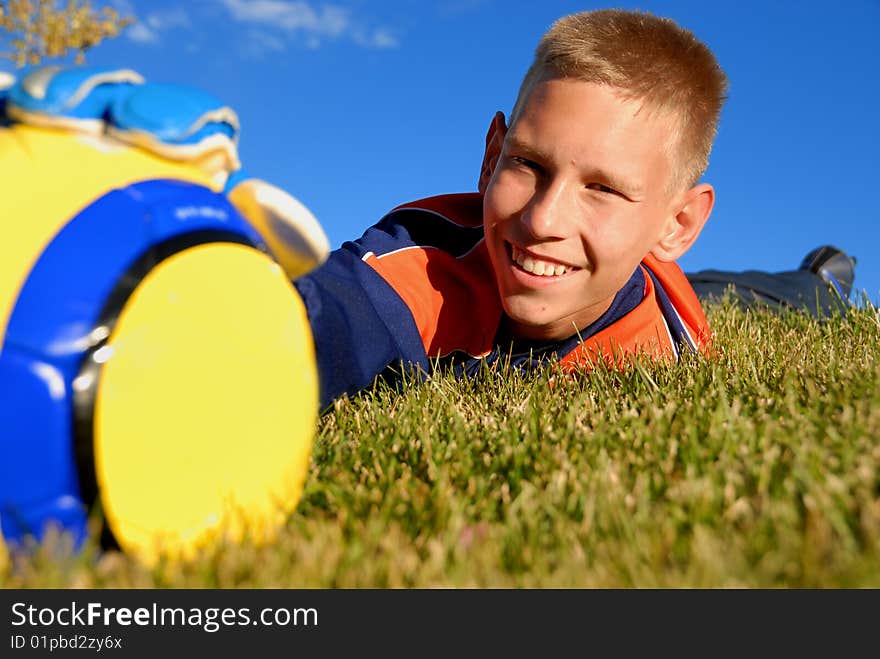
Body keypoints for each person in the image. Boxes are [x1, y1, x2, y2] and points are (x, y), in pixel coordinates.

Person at [291, 9, 857, 410]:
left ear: (676, 224)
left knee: (762, 295)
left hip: (659, 281)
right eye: (529, 165)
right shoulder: (425, 268)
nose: (543, 220)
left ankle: (815, 277)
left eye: (603, 189)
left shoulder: (662, 348)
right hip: (593, 268)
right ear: (492, 156)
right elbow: (310, 330)